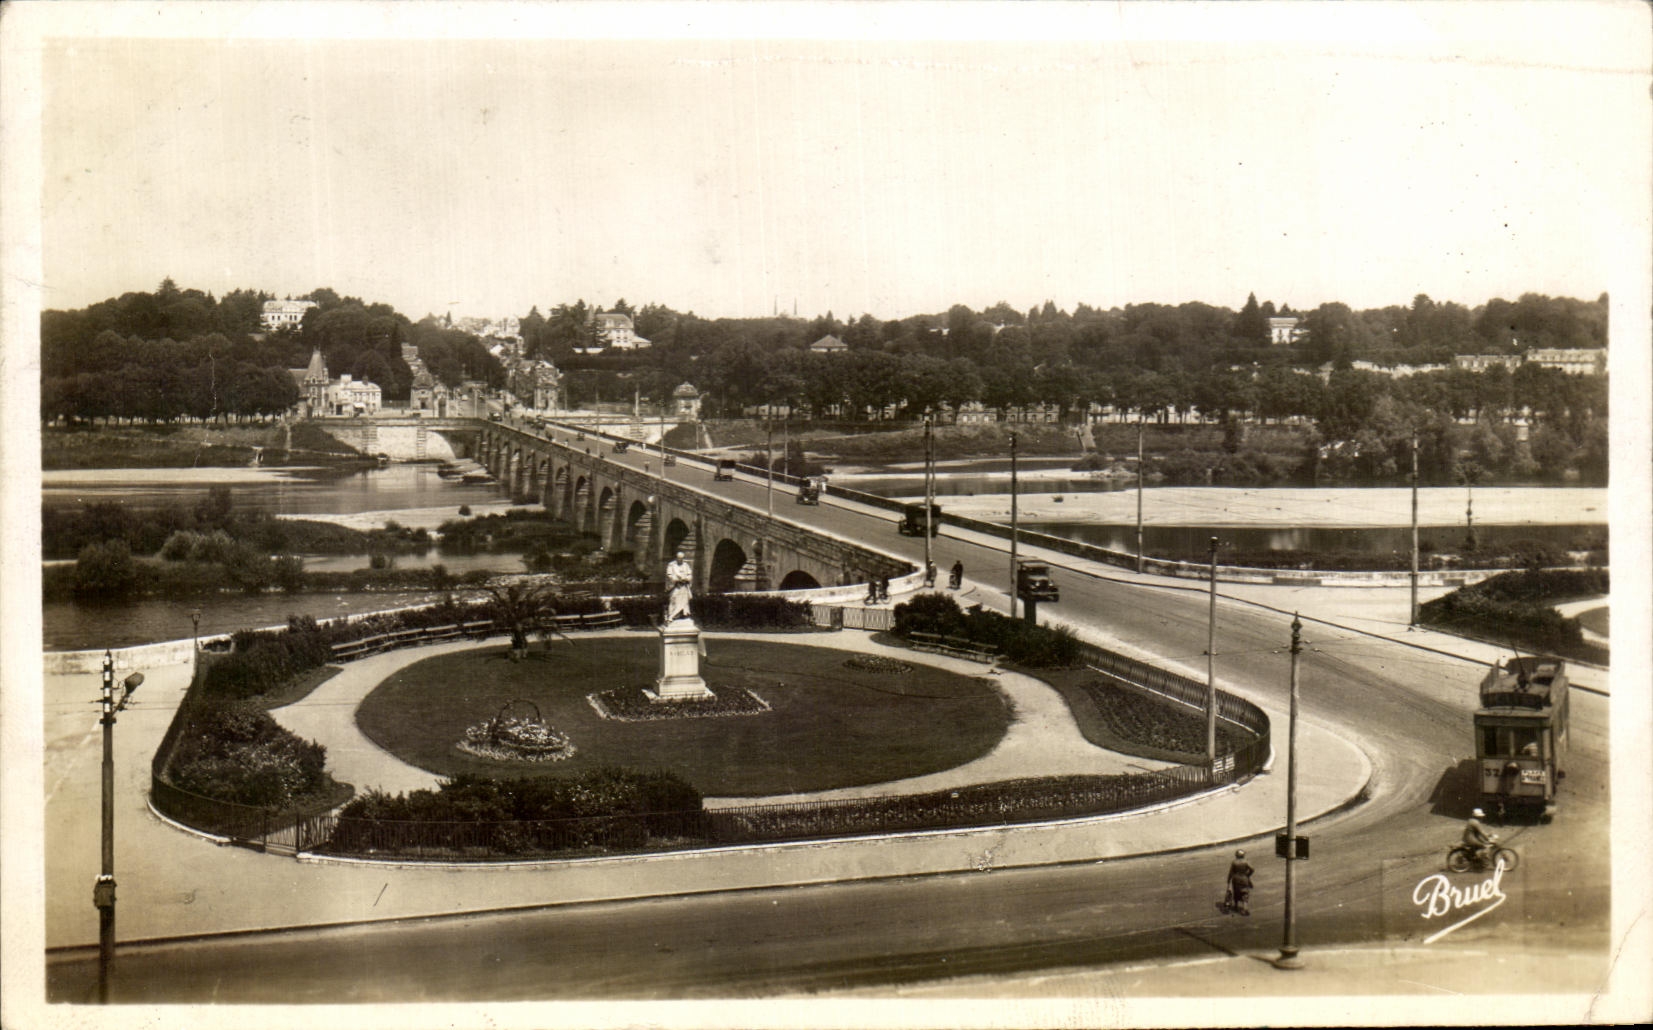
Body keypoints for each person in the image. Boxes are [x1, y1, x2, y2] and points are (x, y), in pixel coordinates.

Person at [663, 550, 694, 623]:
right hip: (675, 586)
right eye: (679, 558)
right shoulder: (671, 565)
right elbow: (669, 575)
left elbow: (690, 574)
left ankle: (683, 615)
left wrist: (686, 579)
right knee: (674, 599)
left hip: (684, 587)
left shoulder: (686, 565)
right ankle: (672, 616)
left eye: (682, 558)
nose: (681, 559)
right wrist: (676, 580)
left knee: (684, 601)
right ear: (676, 558)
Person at [1226, 849, 1255, 915]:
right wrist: (1248, 874)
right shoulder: (1246, 861)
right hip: (1244, 878)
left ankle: (1236, 906)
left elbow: (1231, 872)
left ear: (1236, 855)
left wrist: (1228, 880)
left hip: (1236, 879)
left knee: (1236, 892)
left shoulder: (1234, 862)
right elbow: (1252, 869)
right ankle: (1245, 908)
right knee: (1245, 893)